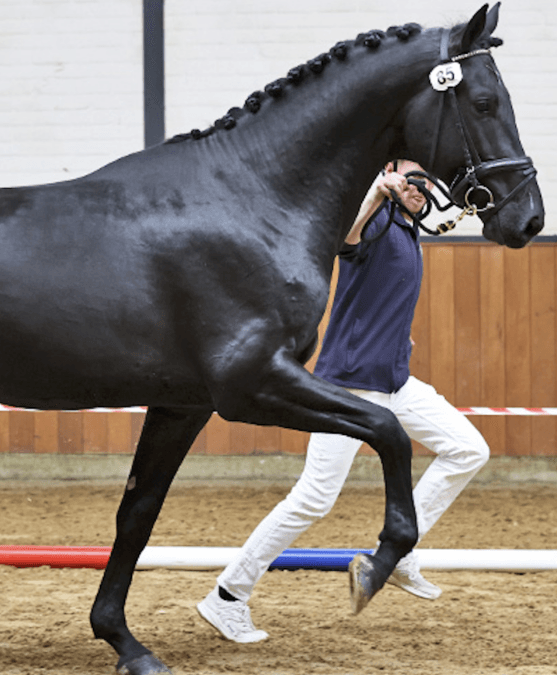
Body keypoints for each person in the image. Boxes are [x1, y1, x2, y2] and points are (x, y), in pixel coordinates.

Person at [197, 159, 490, 643]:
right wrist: (376, 188)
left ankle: (399, 552)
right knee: (313, 499)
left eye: (427, 183)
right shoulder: (374, 218)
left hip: (396, 384)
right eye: (415, 180)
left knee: (468, 450)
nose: (424, 190)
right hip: (350, 388)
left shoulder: (406, 228)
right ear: (393, 175)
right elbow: (343, 239)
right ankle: (227, 597)